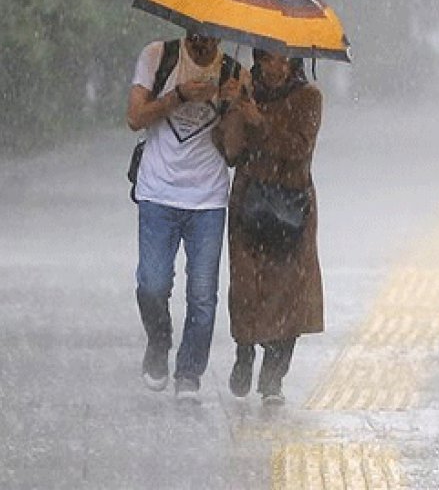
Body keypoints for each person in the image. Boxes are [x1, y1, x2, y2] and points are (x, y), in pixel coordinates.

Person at [126, 31, 244, 401]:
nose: (204, 45)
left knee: (203, 294)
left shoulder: (234, 72)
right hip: (158, 192)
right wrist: (179, 96)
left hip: (207, 198)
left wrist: (232, 107)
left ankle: (190, 372)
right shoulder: (158, 56)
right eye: (198, 36)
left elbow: (236, 152)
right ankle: (159, 342)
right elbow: (134, 117)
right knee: (152, 284)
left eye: (212, 38)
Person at [213, 48, 323, 405]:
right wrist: (230, 109)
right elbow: (229, 152)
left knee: (288, 293)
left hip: (291, 204)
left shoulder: (308, 97)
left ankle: (273, 376)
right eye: (266, 58)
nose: (273, 66)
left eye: (280, 58)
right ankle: (244, 352)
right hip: (249, 200)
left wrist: (259, 119)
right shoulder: (246, 89)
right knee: (246, 285)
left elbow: (298, 149)